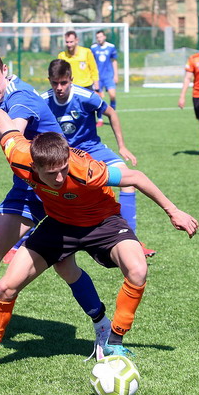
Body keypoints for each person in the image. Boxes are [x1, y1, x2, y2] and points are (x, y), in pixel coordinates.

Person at [0, 102, 199, 373]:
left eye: (63, 169)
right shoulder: (18, 154)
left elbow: (136, 177)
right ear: (35, 166)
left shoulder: (86, 170)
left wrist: (174, 211)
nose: (59, 178)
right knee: (6, 288)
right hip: (59, 224)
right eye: (51, 173)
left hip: (102, 222)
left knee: (138, 270)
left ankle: (114, 342)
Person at [0, 46, 111, 358]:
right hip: (27, 186)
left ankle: (102, 325)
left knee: (64, 266)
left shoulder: (21, 98)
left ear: (6, 71)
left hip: (56, 187)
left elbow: (12, 136)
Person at [42, 59, 155, 258]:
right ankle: (25, 242)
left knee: (128, 181)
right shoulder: (43, 100)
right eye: (55, 83)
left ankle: (133, 240)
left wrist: (122, 146)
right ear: (49, 80)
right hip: (64, 155)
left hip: (93, 150)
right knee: (42, 187)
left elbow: (111, 113)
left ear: (71, 79)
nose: (59, 88)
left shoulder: (86, 96)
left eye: (63, 82)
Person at [91, 30, 119, 127]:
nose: (99, 39)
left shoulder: (111, 47)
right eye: (97, 37)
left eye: (101, 37)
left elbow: (114, 61)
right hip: (98, 77)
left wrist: (116, 75)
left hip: (108, 76)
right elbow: (91, 62)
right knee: (98, 98)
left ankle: (112, 114)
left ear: (104, 37)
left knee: (112, 95)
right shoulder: (93, 48)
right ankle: (100, 119)